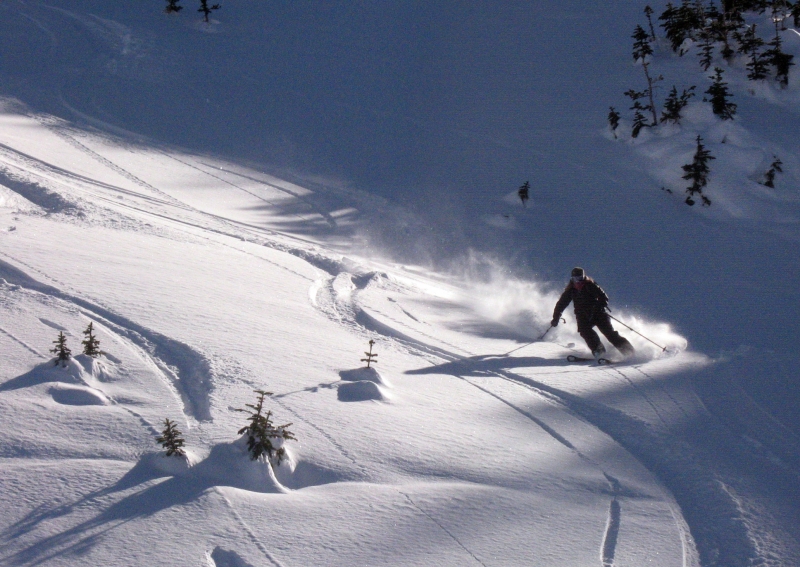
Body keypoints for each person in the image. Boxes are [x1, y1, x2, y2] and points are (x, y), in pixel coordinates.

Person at [551, 267, 634, 359]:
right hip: (583, 315)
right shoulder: (571, 291)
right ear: (572, 279)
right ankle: (598, 350)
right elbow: (561, 304)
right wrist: (556, 317)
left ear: (584, 277)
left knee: (609, 333)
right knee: (585, 331)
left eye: (580, 278)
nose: (578, 281)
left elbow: (604, 297)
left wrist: (598, 306)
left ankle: (629, 351)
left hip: (598, 314)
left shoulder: (590, 285)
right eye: (575, 279)